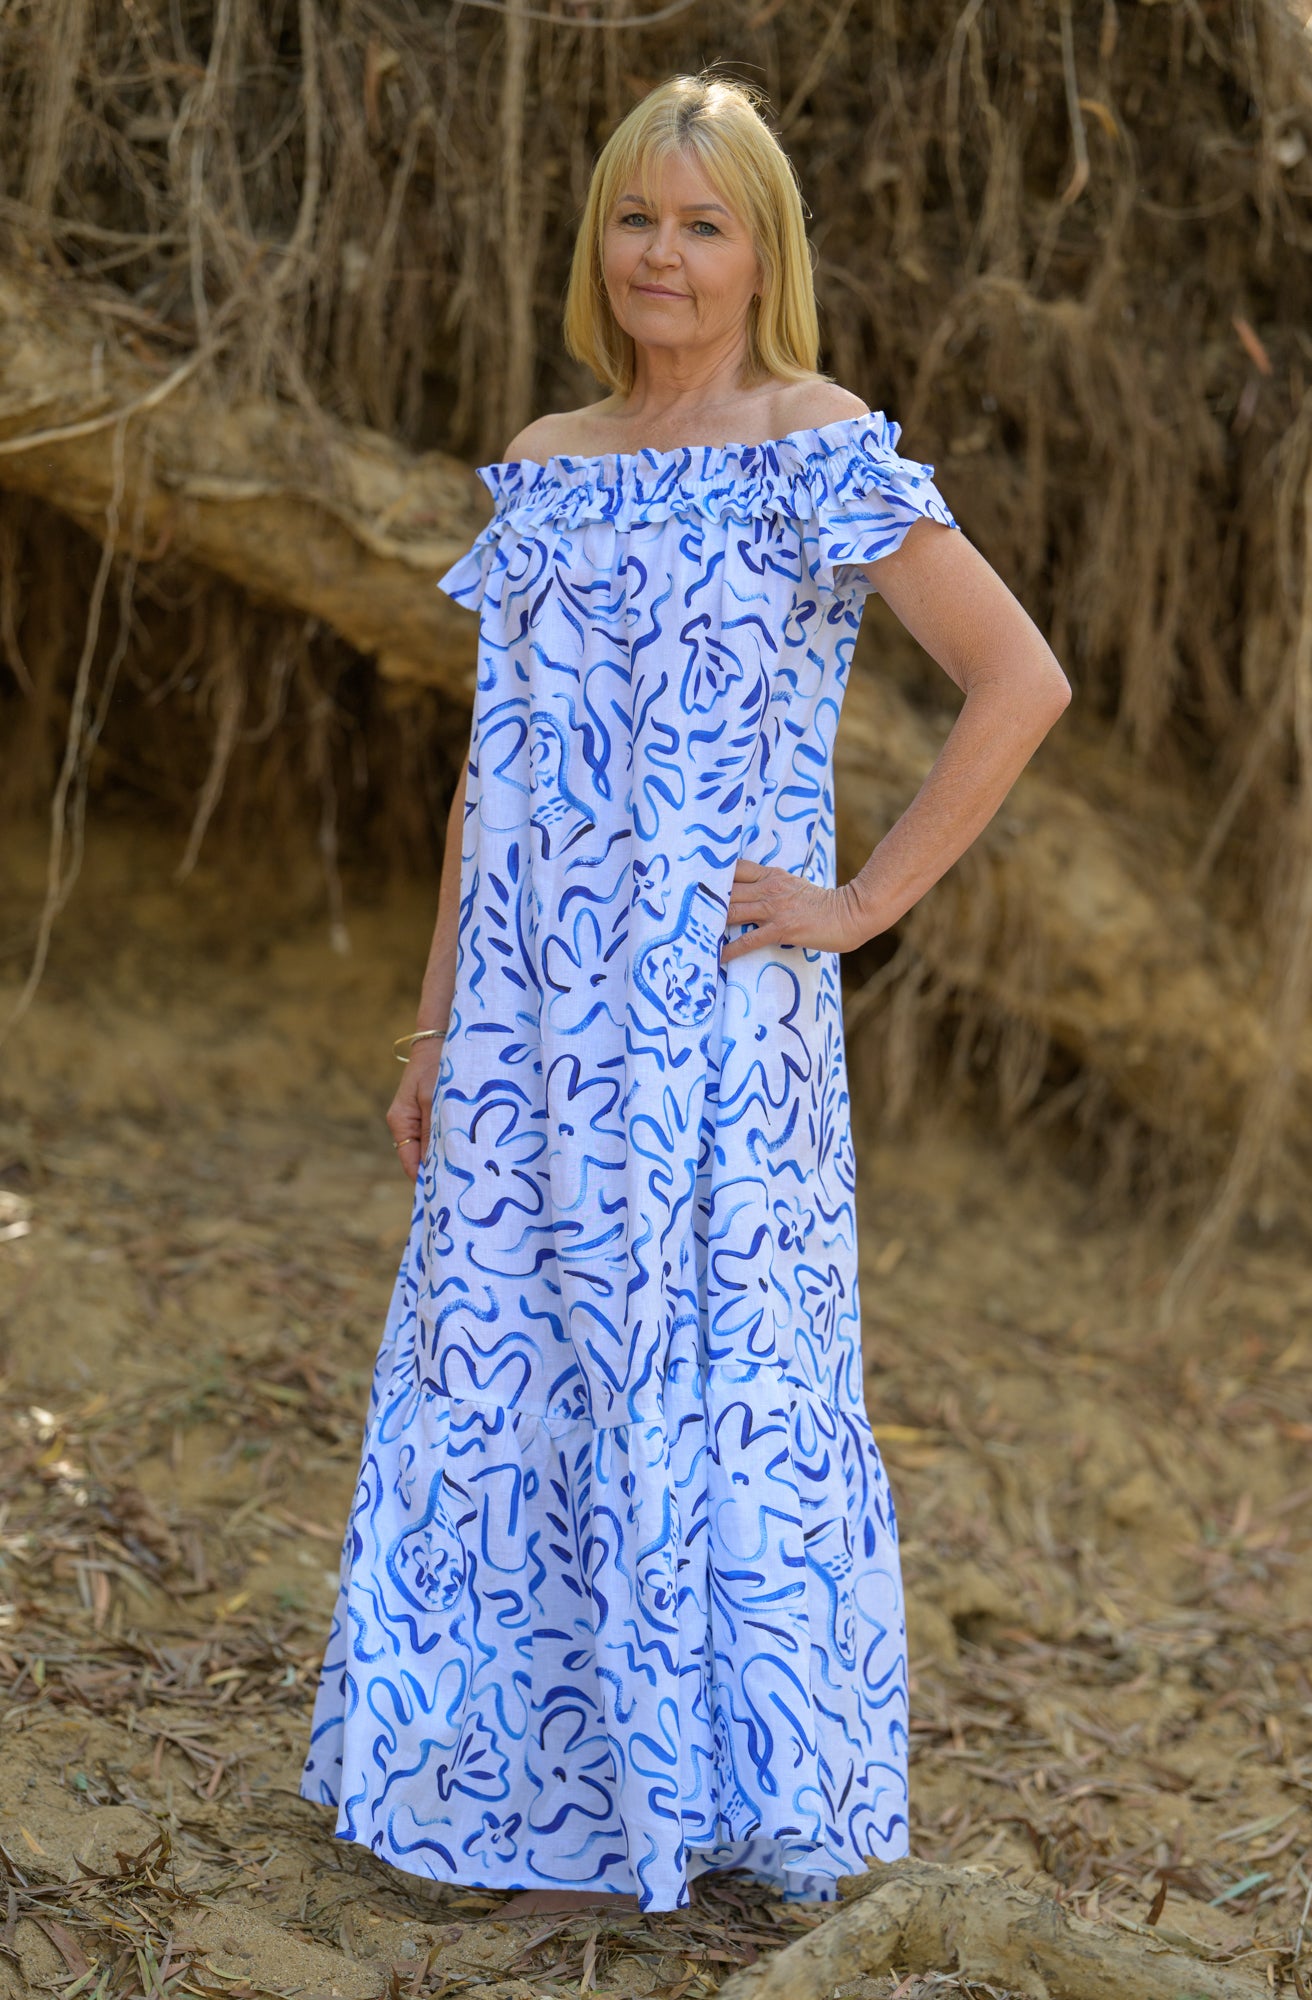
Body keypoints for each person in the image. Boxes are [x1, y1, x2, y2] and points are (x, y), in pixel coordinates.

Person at [300, 72, 1070, 1917]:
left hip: (712, 1014)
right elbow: (490, 776)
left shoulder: (814, 443)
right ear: (601, 243)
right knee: (514, 1367)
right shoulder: (549, 458)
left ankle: (723, 1797)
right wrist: (433, 1027)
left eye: (703, 224)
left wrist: (859, 905)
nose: (664, 254)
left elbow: (1018, 680)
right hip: (524, 1017)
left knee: (714, 1372)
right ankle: (524, 1801)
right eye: (638, 219)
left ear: (760, 252)